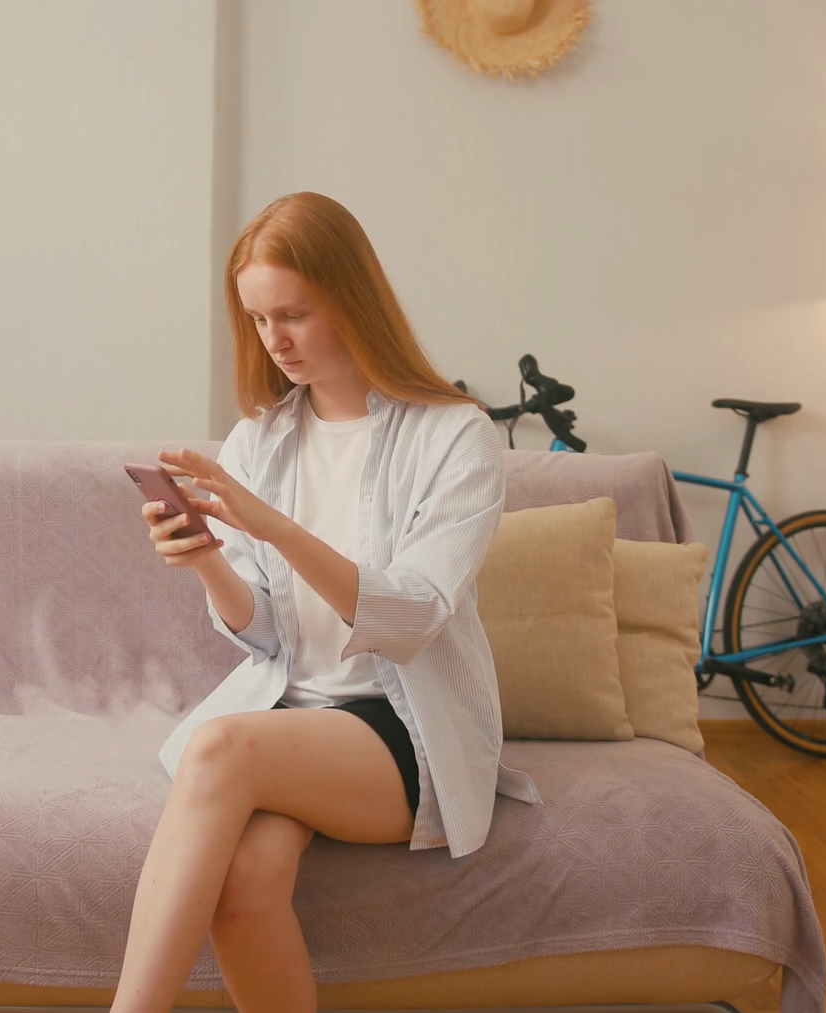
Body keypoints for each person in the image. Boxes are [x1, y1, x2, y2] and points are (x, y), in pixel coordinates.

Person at [110, 192, 541, 1013]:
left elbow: (413, 615)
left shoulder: (454, 435)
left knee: (217, 748)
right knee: (245, 886)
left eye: (294, 313)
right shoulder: (260, 439)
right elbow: (266, 633)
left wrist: (270, 522)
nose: (274, 339)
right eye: (258, 318)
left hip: (402, 723)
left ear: (351, 297)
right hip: (295, 710)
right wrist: (206, 559)